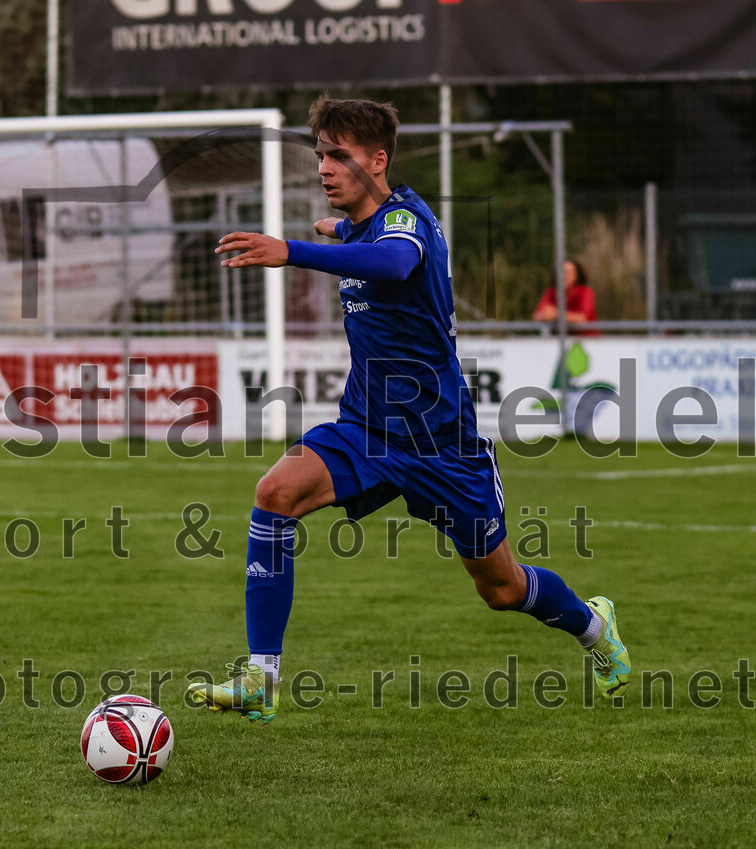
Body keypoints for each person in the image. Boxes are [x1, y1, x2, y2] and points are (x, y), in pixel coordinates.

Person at [186, 97, 630, 723]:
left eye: (339, 155)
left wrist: (292, 249)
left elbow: (395, 260)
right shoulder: (364, 226)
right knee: (274, 493)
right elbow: (359, 239)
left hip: (443, 445)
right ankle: (261, 676)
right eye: (320, 155)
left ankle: (593, 626)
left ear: (378, 160)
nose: (325, 168)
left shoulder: (408, 222)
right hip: (366, 430)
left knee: (502, 590)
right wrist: (336, 230)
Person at [532, 260, 600, 336]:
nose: (565, 276)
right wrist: (544, 315)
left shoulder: (585, 292)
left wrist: (556, 314)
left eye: (570, 273)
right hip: (558, 340)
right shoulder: (551, 292)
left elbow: (583, 318)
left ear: (576, 276)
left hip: (586, 342)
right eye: (563, 272)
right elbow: (537, 316)